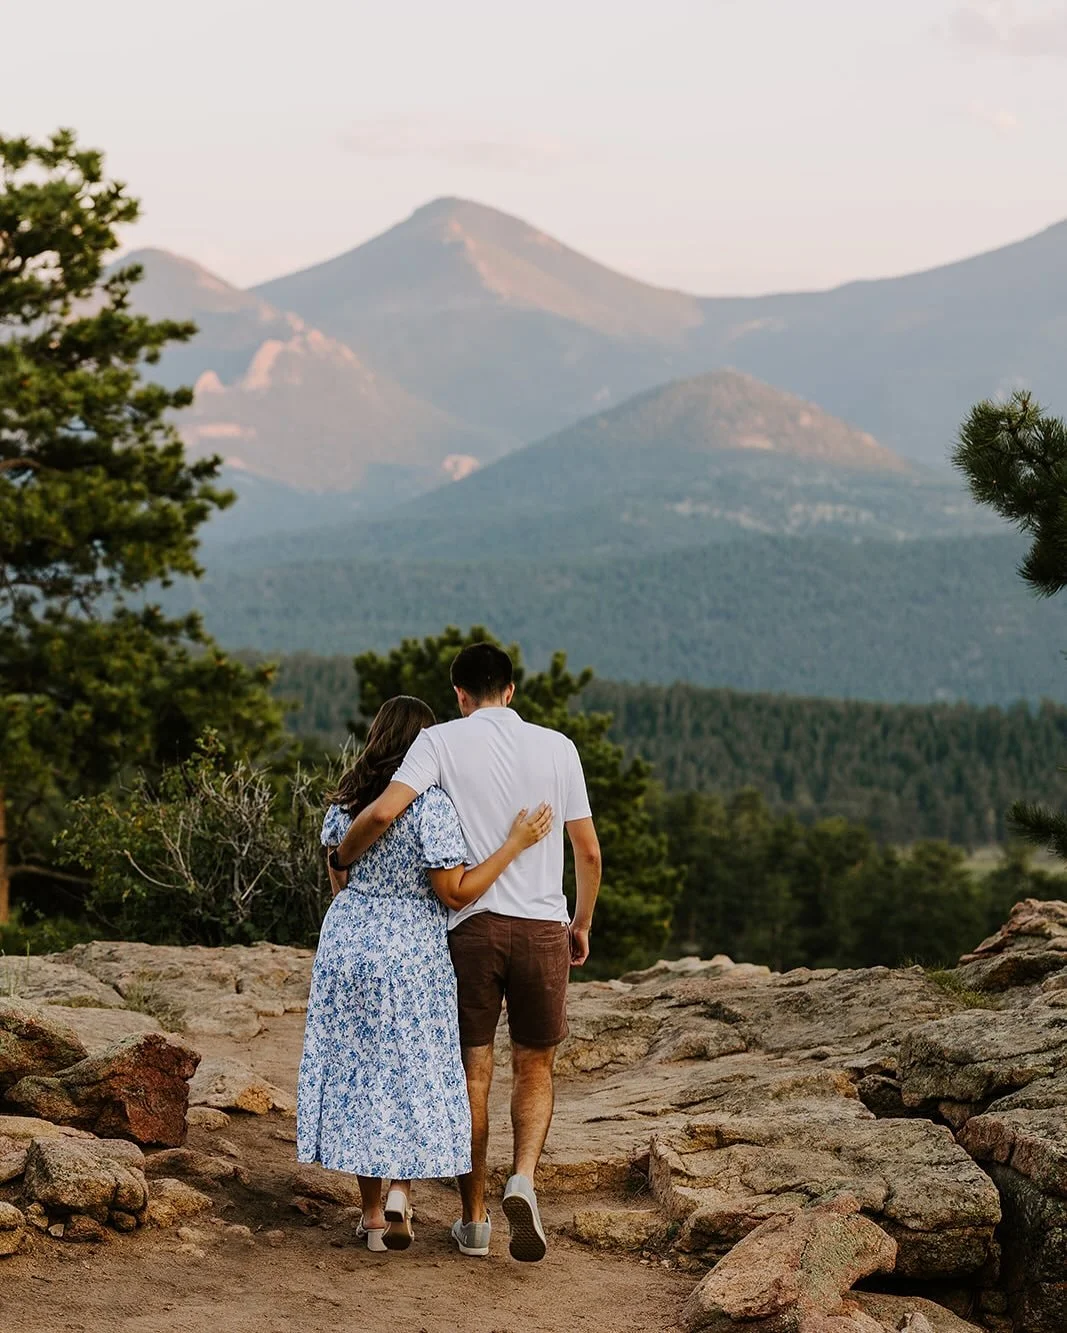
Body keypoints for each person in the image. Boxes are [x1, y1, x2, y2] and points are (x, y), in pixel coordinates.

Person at [333, 644, 602, 1262]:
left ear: (459, 694)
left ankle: (474, 1220)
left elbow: (383, 812)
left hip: (470, 929)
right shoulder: (559, 747)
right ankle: (524, 1180)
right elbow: (587, 852)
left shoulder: (441, 742)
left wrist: (341, 858)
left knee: (471, 1075)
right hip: (541, 925)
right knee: (535, 1066)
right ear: (511, 690)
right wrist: (580, 922)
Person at [297, 694, 553, 1254]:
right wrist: (512, 846)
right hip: (412, 949)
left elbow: (339, 883)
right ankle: (399, 1190)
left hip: (347, 942)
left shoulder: (342, 807)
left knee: (359, 1071)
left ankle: (370, 1216)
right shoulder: (432, 809)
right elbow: (454, 891)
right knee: (411, 1071)